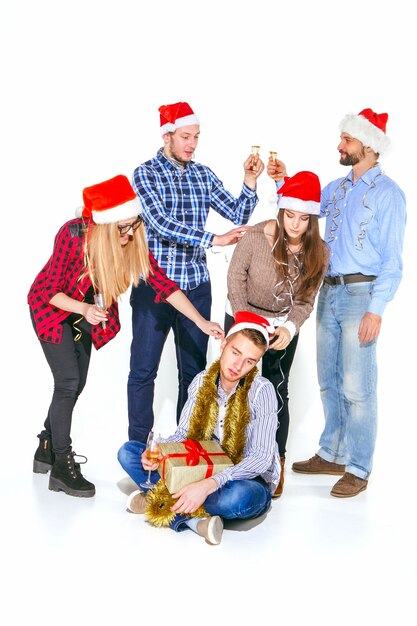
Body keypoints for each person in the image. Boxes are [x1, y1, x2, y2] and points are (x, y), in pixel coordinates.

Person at [29, 174, 224, 498]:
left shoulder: (131, 241)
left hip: (84, 314)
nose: (131, 233)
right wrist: (83, 308)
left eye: (134, 225)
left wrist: (201, 322)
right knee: (67, 383)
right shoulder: (73, 234)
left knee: (77, 384)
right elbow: (47, 290)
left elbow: (165, 286)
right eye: (123, 227)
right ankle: (62, 466)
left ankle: (46, 444)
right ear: (105, 226)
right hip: (53, 309)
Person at [269, 108, 407, 497]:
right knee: (328, 378)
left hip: (361, 294)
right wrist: (284, 179)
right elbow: (300, 206)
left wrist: (376, 309)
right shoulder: (337, 188)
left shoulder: (389, 195)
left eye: (346, 140)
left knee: (358, 386)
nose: (340, 145)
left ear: (368, 145)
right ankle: (333, 452)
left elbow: (393, 262)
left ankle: (359, 467)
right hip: (325, 291)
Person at [128, 101, 265, 444]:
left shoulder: (203, 174)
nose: (191, 143)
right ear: (168, 135)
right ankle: (138, 451)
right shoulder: (146, 173)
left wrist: (249, 180)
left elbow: (237, 212)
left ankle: (186, 450)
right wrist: (212, 238)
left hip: (196, 287)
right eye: (185, 136)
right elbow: (159, 224)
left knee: (193, 373)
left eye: (196, 137)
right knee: (144, 372)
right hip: (154, 289)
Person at [118, 311, 280, 545]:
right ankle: (195, 521)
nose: (238, 365)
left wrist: (209, 484)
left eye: (249, 361)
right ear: (224, 344)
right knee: (130, 452)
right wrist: (160, 453)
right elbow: (183, 435)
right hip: (204, 468)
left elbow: (261, 458)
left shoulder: (261, 391)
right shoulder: (202, 381)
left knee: (235, 499)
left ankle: (159, 500)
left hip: (244, 479)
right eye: (235, 352)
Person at [226, 171, 329, 498]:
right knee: (234, 386)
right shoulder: (257, 236)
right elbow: (234, 278)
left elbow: (305, 299)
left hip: (281, 325)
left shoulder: (319, 252)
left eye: (303, 218)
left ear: (311, 219)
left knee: (276, 390)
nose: (295, 224)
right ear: (281, 211)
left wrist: (289, 326)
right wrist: (243, 321)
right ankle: (231, 456)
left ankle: (275, 461)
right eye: (290, 215)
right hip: (244, 315)